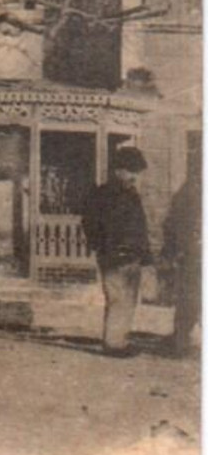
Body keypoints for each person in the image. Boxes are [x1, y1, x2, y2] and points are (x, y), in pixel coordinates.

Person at [80, 146, 152, 357]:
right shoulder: (101, 194)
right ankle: (113, 344)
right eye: (131, 171)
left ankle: (120, 340)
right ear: (117, 170)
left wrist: (146, 257)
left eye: (137, 172)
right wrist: (102, 246)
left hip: (132, 255)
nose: (134, 177)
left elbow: (141, 226)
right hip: (113, 256)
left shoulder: (132, 195)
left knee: (129, 300)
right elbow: (89, 223)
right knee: (117, 299)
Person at [160, 171, 201, 359]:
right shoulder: (188, 193)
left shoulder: (186, 192)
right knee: (190, 298)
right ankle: (181, 340)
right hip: (192, 255)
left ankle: (181, 338)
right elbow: (172, 225)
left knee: (189, 298)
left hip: (191, 254)